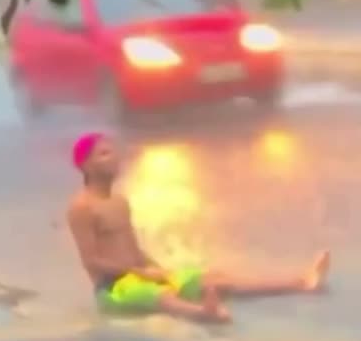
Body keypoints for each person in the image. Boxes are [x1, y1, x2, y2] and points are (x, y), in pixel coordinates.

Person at [67, 133, 330, 324]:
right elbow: (92, 262)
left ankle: (302, 281)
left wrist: (160, 270)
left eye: (112, 152)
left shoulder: (119, 201)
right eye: (104, 154)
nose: (114, 158)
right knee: (162, 296)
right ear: (85, 166)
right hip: (112, 289)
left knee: (215, 278)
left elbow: (133, 249)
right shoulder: (82, 208)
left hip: (140, 275)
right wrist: (140, 273)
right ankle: (204, 313)